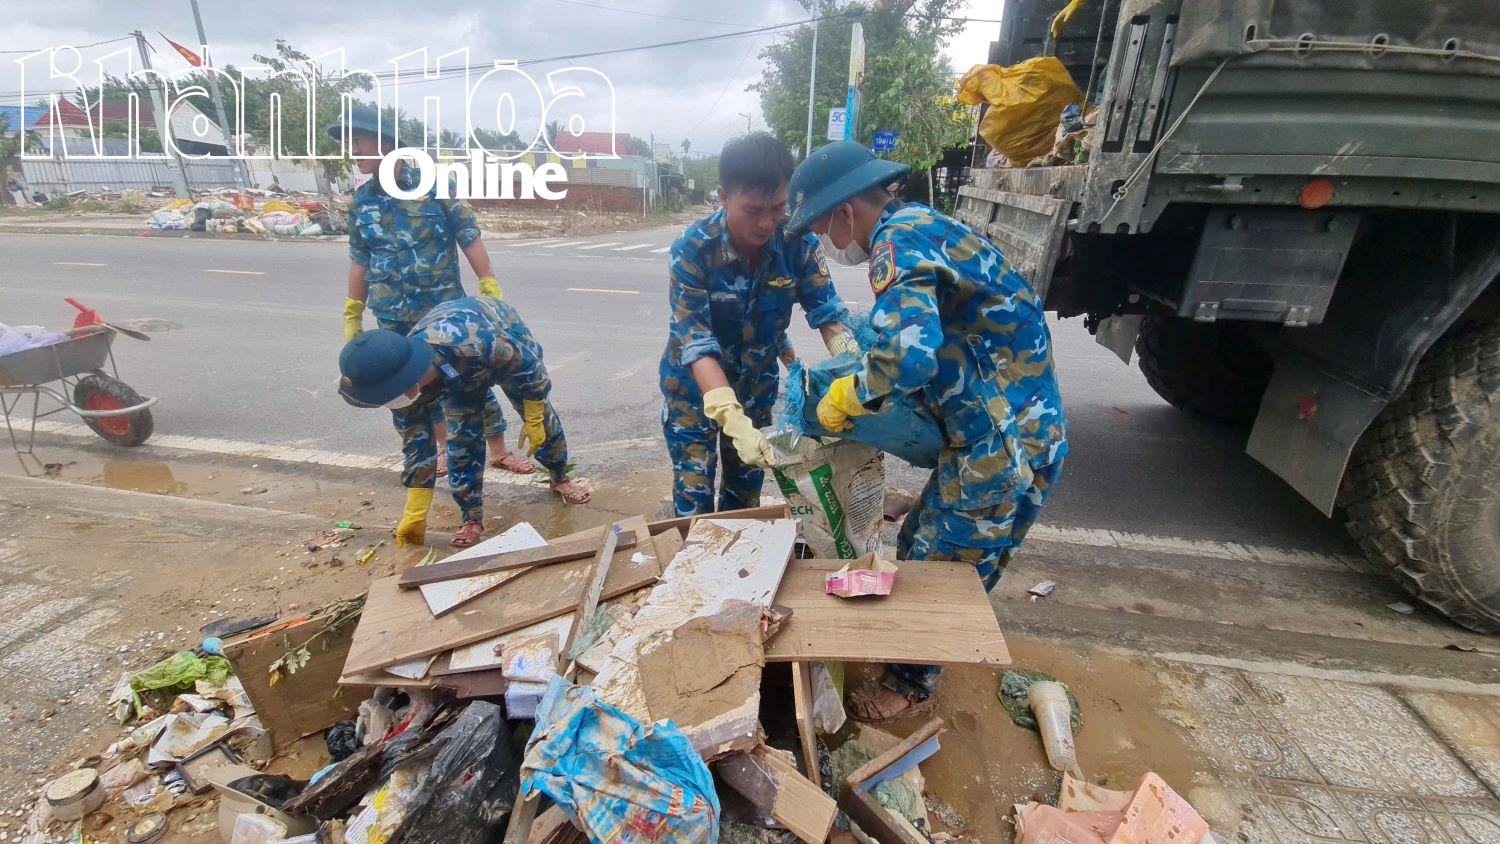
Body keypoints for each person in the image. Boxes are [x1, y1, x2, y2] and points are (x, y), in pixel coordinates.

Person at [785, 140, 1068, 722]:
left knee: (944, 564)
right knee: (924, 538)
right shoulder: (919, 225)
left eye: (820, 228)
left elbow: (909, 356)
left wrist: (850, 394)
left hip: (1002, 439)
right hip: (1001, 421)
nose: (825, 243)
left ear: (845, 211)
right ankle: (916, 660)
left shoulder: (896, 239)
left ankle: (911, 683)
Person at [329, 105, 534, 481]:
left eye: (359, 139)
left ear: (386, 142)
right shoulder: (362, 202)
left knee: (469, 378)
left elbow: (468, 236)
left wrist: (489, 285)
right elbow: (360, 258)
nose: (353, 148)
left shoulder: (434, 184)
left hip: (443, 312)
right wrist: (353, 312)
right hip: (392, 314)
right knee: (415, 388)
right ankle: (442, 449)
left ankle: (499, 451)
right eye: (350, 142)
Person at [660, 132, 859, 516]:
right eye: (753, 210)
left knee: (743, 503)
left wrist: (855, 370)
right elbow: (696, 343)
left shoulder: (797, 243)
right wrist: (731, 418)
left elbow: (828, 314)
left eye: (778, 208)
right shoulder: (692, 249)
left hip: (756, 391)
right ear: (723, 197)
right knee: (695, 503)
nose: (768, 223)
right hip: (693, 394)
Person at [338, 297, 591, 548]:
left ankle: (560, 477)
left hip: (499, 336)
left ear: (409, 377)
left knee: (541, 421)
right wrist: (416, 509)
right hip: (456, 376)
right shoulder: (402, 391)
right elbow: (416, 446)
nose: (390, 403)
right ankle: (471, 517)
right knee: (461, 441)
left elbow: (528, 364)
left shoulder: (476, 343)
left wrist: (534, 409)